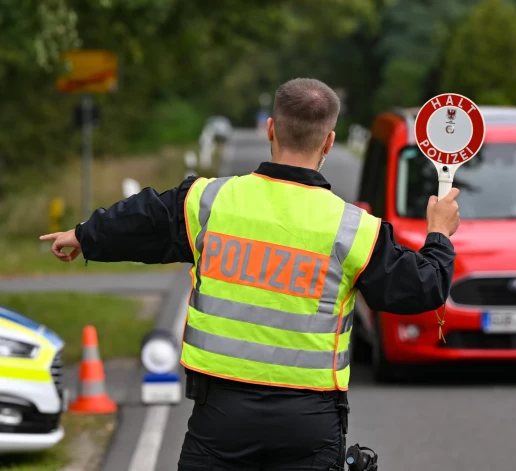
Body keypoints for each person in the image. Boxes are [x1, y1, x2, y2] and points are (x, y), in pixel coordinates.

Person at [40, 78, 460, 471]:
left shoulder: (210, 201)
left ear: (271, 129)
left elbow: (143, 218)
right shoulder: (355, 229)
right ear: (330, 141)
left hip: (220, 417)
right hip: (309, 424)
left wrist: (84, 236)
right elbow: (422, 288)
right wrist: (438, 232)